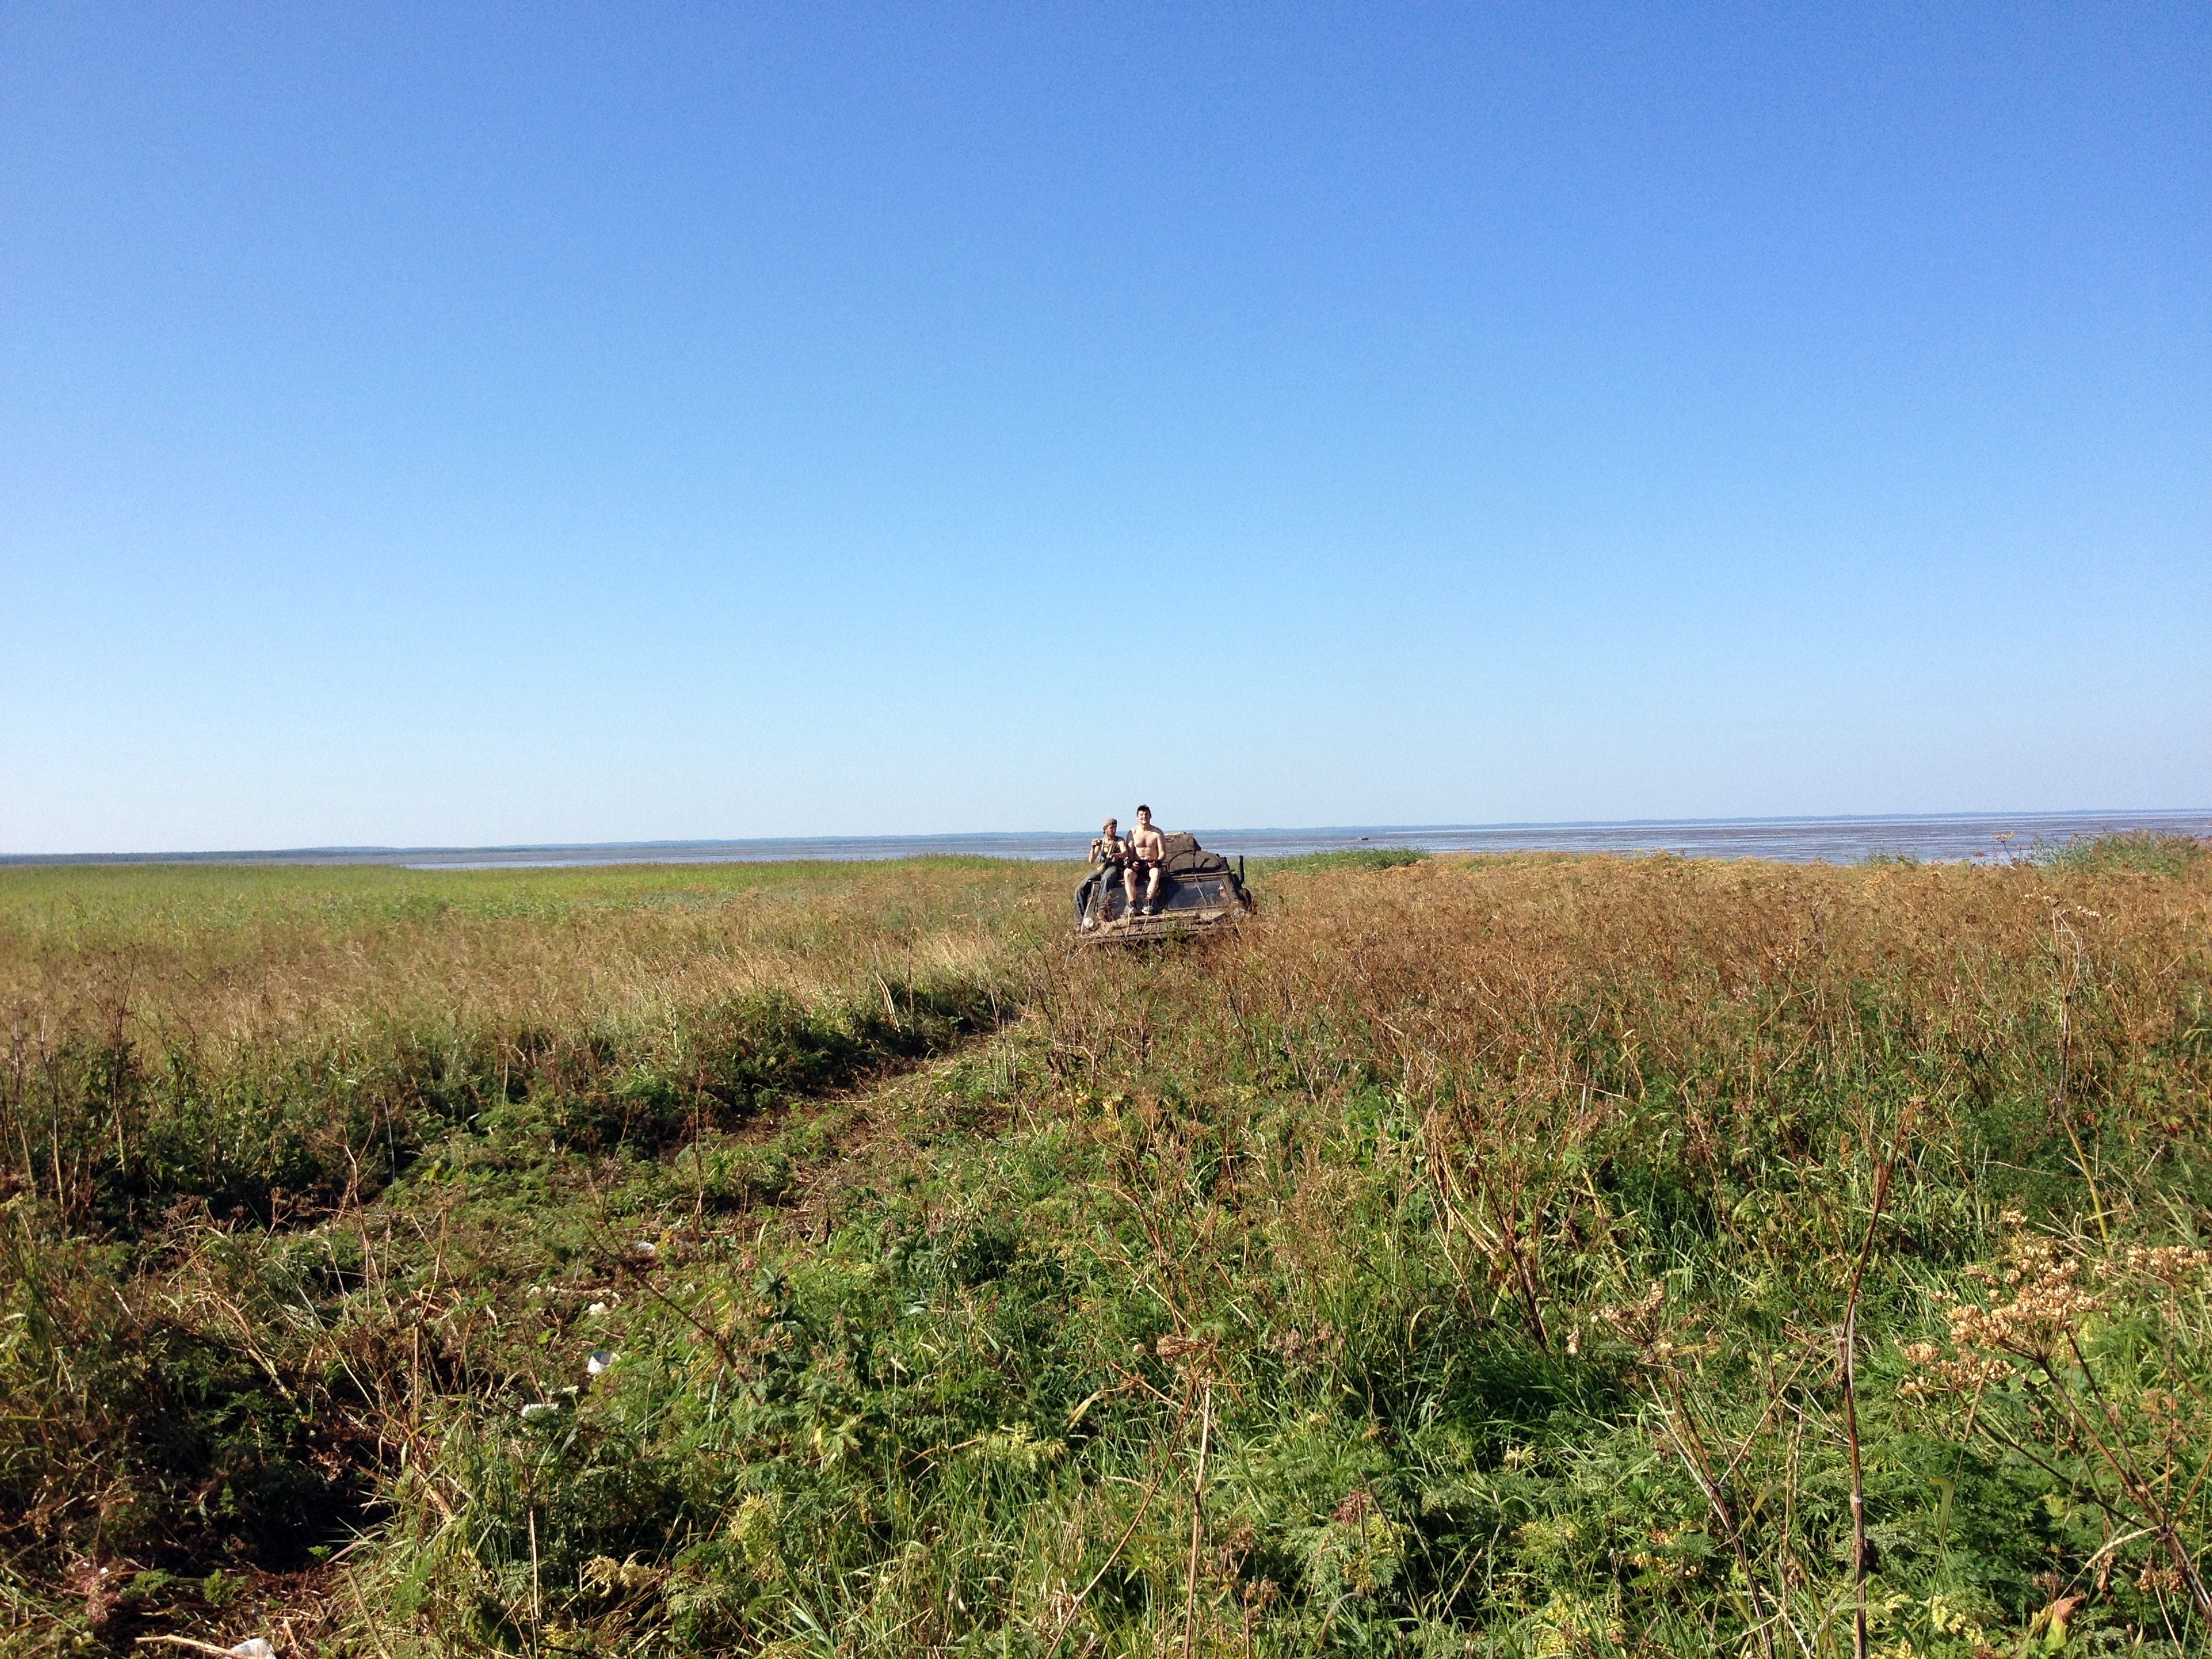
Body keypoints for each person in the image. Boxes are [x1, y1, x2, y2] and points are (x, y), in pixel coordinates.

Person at [1076, 817, 1128, 929]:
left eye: (1115, 828)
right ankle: (1080, 920)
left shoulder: (1119, 841)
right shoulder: (1101, 842)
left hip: (1115, 867)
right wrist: (1093, 847)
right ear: (1105, 829)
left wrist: (1117, 855)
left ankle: (1102, 909)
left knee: (1106, 878)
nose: (1114, 830)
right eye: (1111, 828)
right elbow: (1091, 860)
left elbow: (1125, 852)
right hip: (1102, 867)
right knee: (1081, 887)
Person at [1124, 804, 1168, 916]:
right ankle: (1133, 905)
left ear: (1150, 816)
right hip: (1136, 864)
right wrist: (1132, 862)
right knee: (1127, 874)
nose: (1144, 817)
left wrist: (1157, 862)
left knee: (1156, 873)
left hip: (1152, 863)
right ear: (1137, 817)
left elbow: (1162, 852)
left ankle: (1149, 903)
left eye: (1146, 814)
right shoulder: (1132, 832)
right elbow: (1129, 852)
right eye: (1141, 815)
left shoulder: (1157, 833)